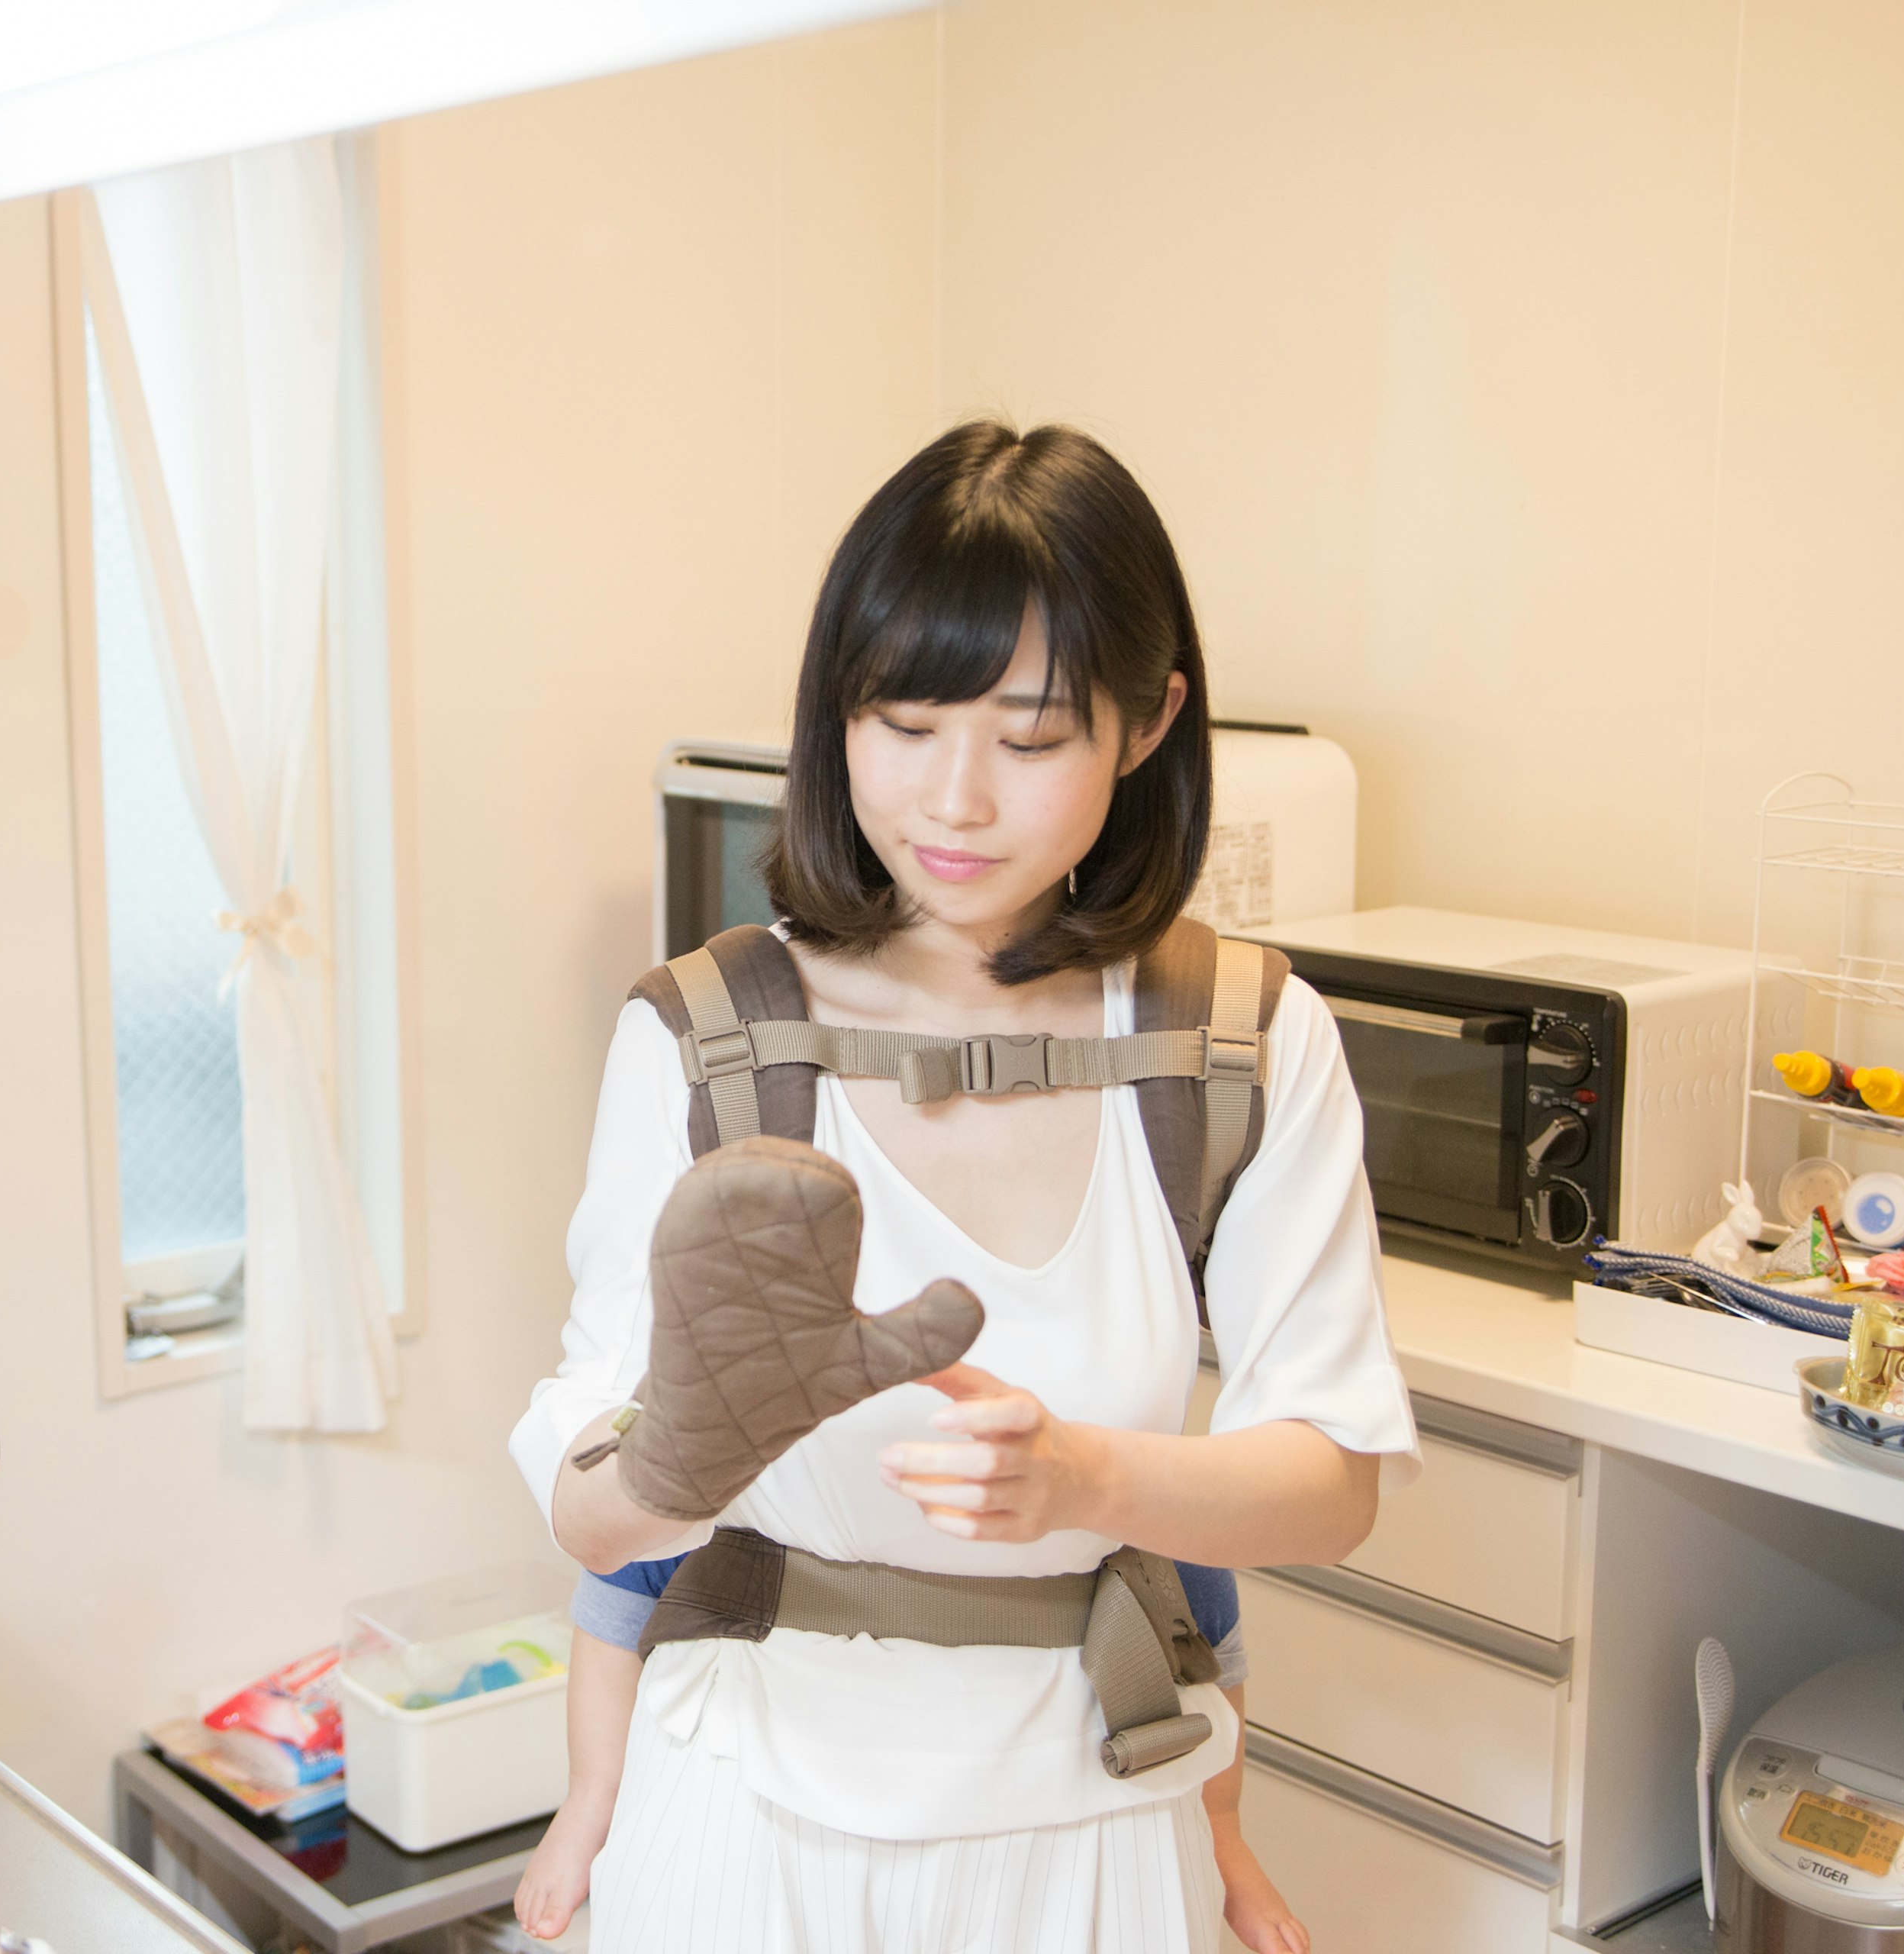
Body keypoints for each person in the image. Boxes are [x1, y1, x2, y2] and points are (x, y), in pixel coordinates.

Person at [507, 420, 1416, 1954]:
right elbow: (591, 1520)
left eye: (1033, 733)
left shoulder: (1239, 1040)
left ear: (1148, 720)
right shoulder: (707, 1035)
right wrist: (684, 1451)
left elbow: (1336, 1482)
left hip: (1102, 1813)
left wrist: (1087, 1479)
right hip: (747, 1809)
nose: (957, 797)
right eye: (905, 720)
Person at [515, 1556, 1311, 1952]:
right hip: (769, 1748)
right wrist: (592, 1795)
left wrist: (1223, 1822)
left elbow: (1203, 1631)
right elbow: (620, 1594)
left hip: (1074, 1753)